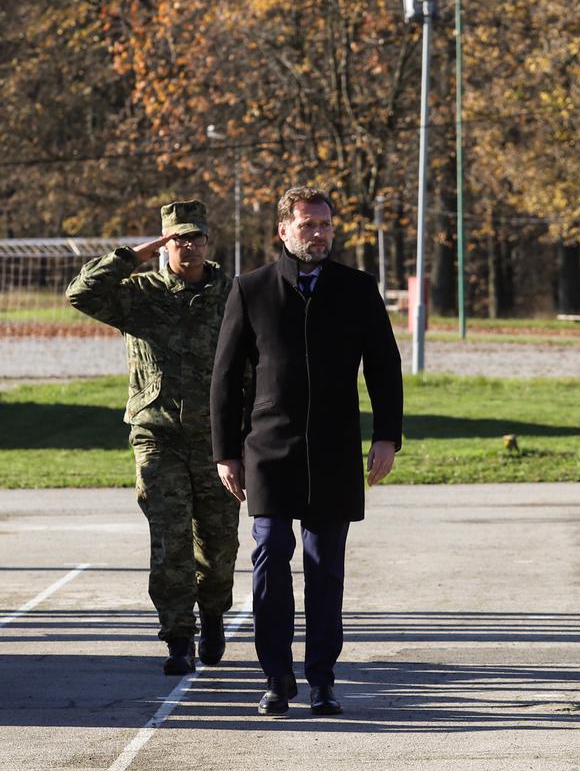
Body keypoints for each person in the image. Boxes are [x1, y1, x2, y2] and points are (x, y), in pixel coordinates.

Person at [212, 186, 403, 717]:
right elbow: (226, 380)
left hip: (335, 451)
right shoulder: (250, 290)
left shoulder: (358, 289)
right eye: (307, 225)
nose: (318, 234)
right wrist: (225, 452)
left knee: (325, 565)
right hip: (269, 449)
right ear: (283, 230)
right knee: (270, 553)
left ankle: (322, 678)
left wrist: (386, 435)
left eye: (325, 225)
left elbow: (384, 366)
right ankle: (276, 677)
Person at [66, 200, 239, 675]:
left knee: (220, 541)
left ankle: (213, 613)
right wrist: (132, 256)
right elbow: (81, 293)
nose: (189, 245)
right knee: (170, 538)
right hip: (156, 434)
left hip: (217, 438)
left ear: (208, 241)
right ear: (165, 243)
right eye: (179, 238)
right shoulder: (138, 294)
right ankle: (178, 636)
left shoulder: (231, 294)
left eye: (196, 237)